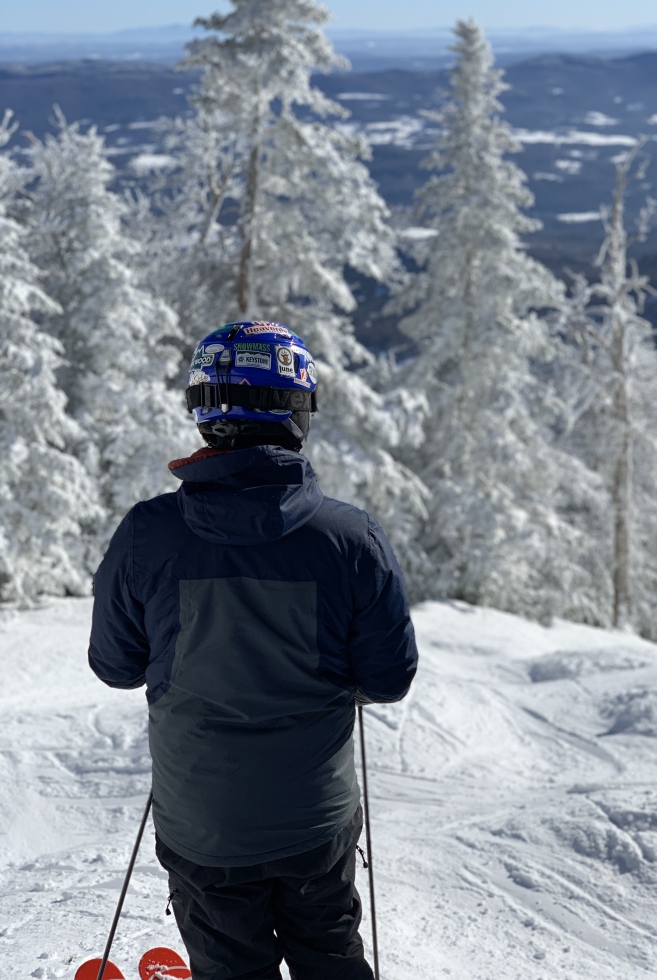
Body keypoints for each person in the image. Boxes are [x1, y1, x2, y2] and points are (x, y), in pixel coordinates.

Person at [88, 321, 418, 980]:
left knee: (229, 965)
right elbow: (388, 678)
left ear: (203, 411)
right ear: (299, 413)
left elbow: (115, 664)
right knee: (331, 956)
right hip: (314, 823)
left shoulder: (148, 534)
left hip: (203, 825)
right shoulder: (351, 539)